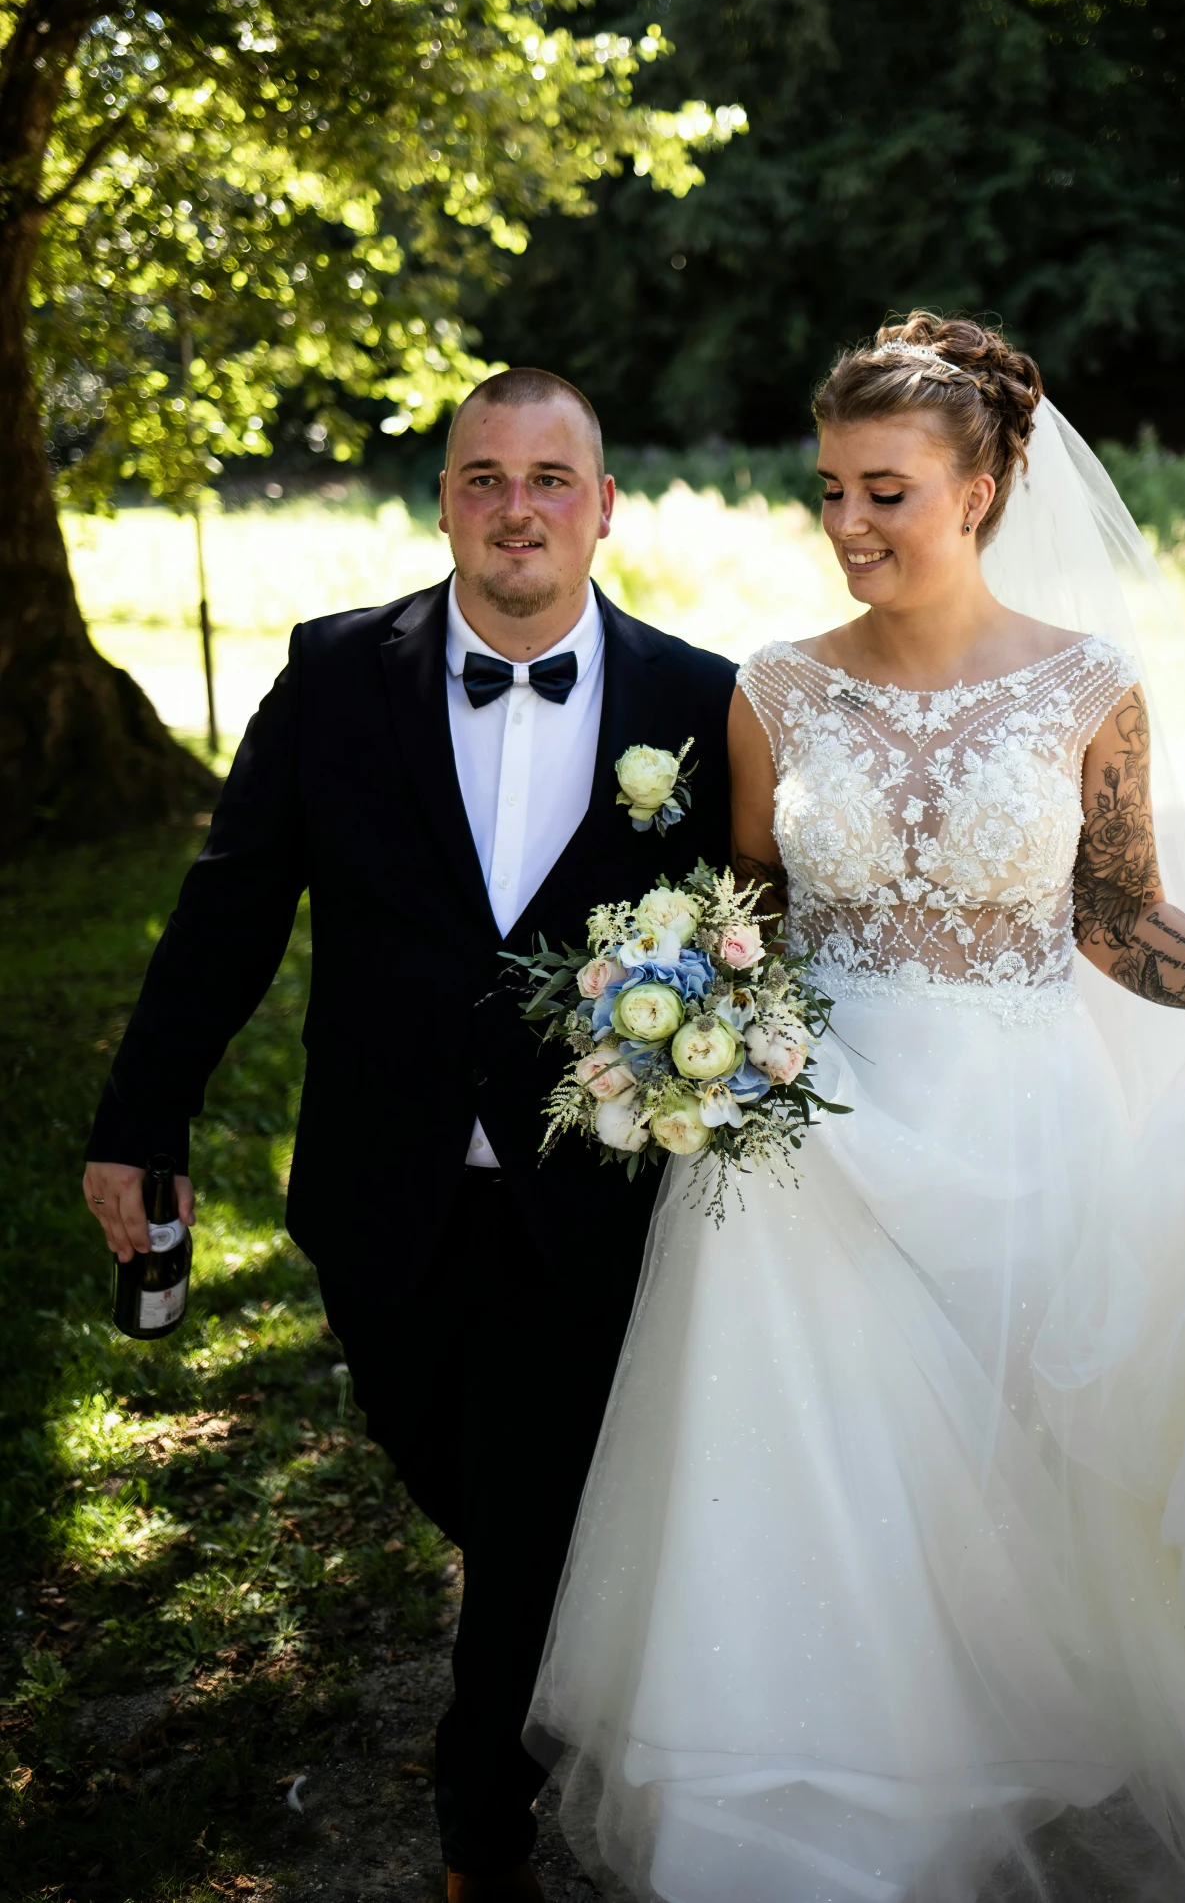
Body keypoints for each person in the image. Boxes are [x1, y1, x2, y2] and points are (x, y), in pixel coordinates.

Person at [525, 318, 1185, 1903]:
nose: (851, 523)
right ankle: (832, 1831)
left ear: (988, 483)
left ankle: (1022, 1765)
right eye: (829, 492)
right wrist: (679, 1026)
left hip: (1026, 1136)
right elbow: (746, 912)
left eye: (887, 490)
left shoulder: (1089, 686)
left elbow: (1116, 923)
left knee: (1026, 1490)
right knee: (825, 1494)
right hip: (815, 1161)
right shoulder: (774, 692)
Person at [81, 367, 735, 1903]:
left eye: (549, 478)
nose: (517, 507)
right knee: (455, 1465)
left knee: (527, 1506)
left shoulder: (696, 700)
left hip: (593, 1190)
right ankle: (563, 1665)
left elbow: (754, 925)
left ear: (603, 504)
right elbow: (229, 911)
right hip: (382, 1190)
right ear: (444, 499)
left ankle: (478, 1818)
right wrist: (139, 1113)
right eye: (485, 477)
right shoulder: (332, 674)